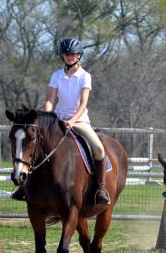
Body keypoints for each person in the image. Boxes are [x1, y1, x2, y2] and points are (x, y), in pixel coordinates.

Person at [11, 37, 111, 205]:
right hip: (57, 119)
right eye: (66, 54)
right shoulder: (56, 75)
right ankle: (24, 186)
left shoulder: (85, 76)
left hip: (79, 121)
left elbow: (84, 103)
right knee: (37, 146)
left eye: (72, 54)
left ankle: (101, 188)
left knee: (99, 149)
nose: (69, 57)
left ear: (79, 55)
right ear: (62, 56)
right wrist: (47, 117)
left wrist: (72, 121)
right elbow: (50, 99)